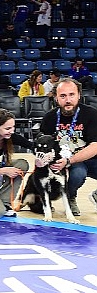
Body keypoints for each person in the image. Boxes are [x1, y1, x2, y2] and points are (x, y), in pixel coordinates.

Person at [40, 77, 97, 217]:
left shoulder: (91, 114)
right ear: (56, 98)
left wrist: (70, 160)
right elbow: (43, 146)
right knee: (78, 173)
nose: (68, 100)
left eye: (72, 95)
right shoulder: (49, 118)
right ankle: (70, 197)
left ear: (79, 95)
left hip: (87, 157)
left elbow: (95, 146)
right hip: (61, 161)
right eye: (63, 96)